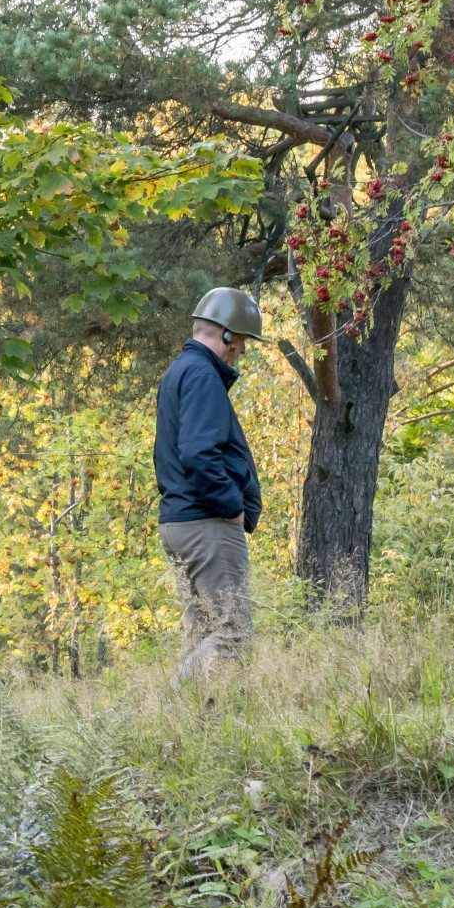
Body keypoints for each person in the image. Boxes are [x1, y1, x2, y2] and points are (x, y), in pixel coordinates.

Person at [154, 286, 265, 679]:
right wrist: (232, 508)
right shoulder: (202, 375)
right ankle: (164, 707)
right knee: (232, 635)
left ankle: (189, 729)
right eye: (242, 342)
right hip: (206, 525)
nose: (242, 353)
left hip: (181, 523)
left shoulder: (180, 371)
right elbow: (199, 454)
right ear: (228, 334)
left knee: (201, 634)